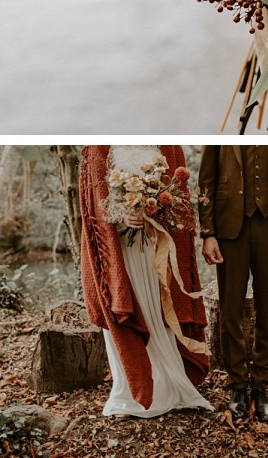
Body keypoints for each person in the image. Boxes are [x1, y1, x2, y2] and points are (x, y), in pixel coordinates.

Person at [79, 145, 212, 418]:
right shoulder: (99, 144)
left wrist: (156, 208)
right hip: (120, 248)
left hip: (156, 241)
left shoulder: (168, 142)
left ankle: (169, 385)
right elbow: (94, 196)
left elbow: (177, 191)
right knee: (127, 305)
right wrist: (120, 216)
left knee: (159, 308)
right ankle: (130, 389)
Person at [198, 146, 268, 422]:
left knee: (267, 310)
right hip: (228, 229)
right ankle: (238, 386)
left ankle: (261, 386)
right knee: (230, 312)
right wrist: (208, 233)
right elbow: (206, 181)